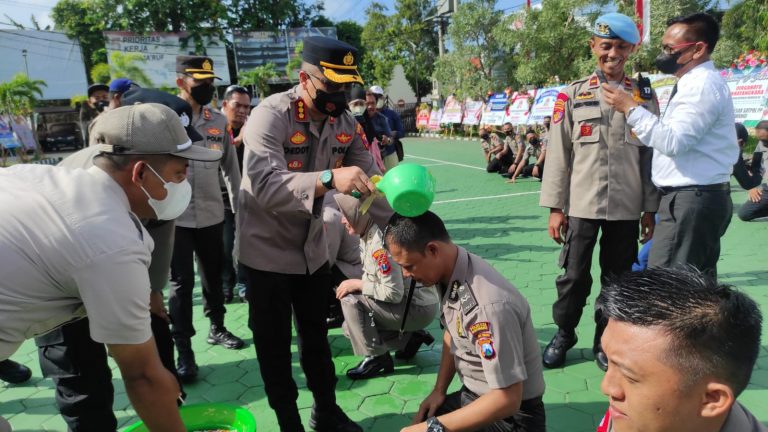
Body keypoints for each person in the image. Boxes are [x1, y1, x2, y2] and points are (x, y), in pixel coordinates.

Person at [0, 103, 222, 431]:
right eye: (179, 173)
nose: (183, 183)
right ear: (141, 173)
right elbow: (143, 377)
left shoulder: (35, 176)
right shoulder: (112, 241)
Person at [237, 36, 390, 431]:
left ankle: (326, 412)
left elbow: (371, 180)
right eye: (331, 85)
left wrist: (406, 222)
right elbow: (264, 184)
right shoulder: (271, 115)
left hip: (312, 249)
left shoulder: (344, 122)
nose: (340, 95)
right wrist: (328, 178)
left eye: (346, 85)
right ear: (305, 79)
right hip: (267, 251)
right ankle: (289, 422)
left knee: (316, 339)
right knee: (273, 347)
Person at [539, 12, 660, 371]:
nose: (613, 53)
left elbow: (649, 155)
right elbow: (559, 154)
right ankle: (564, 332)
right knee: (573, 276)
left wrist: (650, 208)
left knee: (618, 279)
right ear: (593, 46)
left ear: (631, 50)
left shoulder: (643, 96)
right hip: (582, 205)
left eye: (621, 46)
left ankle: (604, 339)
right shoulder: (572, 94)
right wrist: (555, 208)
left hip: (627, 205)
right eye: (606, 45)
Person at [602, 12, 738, 276]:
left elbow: (674, 141)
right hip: (694, 199)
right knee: (693, 287)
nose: (663, 54)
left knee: (667, 286)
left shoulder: (700, 86)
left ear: (698, 49)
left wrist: (630, 108)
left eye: (670, 49)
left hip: (691, 200)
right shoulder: (694, 83)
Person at [385, 212, 546, 432]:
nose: (405, 274)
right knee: (423, 419)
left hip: (511, 418)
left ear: (432, 250)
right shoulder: (451, 269)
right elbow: (453, 332)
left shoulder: (488, 307)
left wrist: (433, 428)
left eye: (409, 266)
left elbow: (508, 399)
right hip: (476, 394)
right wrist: (439, 391)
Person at [597, 266, 766, 432]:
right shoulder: (634, 415)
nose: (606, 387)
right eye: (606, 360)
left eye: (630, 377)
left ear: (711, 399)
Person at [170, 55, 245, 383]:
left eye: (210, 82)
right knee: (181, 284)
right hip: (175, 217)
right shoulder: (168, 118)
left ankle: (217, 327)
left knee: (214, 276)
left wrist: (240, 209)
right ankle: (183, 349)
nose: (207, 88)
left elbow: (230, 168)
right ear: (181, 83)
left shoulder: (217, 120)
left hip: (212, 213)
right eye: (199, 82)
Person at [334, 194, 438, 380]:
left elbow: (393, 292)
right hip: (414, 304)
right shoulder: (369, 231)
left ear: (359, 213)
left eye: (346, 214)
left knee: (350, 301)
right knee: (350, 327)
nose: (342, 220)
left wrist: (357, 284)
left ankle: (377, 357)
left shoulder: (379, 242)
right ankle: (410, 339)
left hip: (416, 307)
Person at [220, 84, 252, 303]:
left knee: (245, 241)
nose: (242, 111)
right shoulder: (215, 127)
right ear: (225, 105)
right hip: (220, 196)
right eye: (237, 105)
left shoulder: (253, 129)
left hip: (246, 195)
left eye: (246, 107)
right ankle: (226, 285)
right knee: (226, 243)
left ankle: (243, 283)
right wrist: (237, 141)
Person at [323, 199, 364, 328]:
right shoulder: (328, 213)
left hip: (359, 270)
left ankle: (336, 312)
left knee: (321, 268)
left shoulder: (328, 218)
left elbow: (327, 261)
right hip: (349, 264)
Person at [737, 120, 768, 221]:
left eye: (764, 140)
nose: (763, 143)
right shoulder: (761, 144)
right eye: (760, 139)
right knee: (744, 214)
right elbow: (755, 166)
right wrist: (752, 186)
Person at [370, 85, 406, 162]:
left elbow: (402, 132)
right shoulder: (365, 115)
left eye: (379, 97)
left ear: (383, 98)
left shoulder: (392, 114)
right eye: (375, 96)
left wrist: (392, 134)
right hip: (371, 156)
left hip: (390, 154)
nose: (377, 99)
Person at [366, 90, 398, 171]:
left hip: (379, 161)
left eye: (373, 103)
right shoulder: (355, 119)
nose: (370, 106)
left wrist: (387, 140)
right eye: (367, 103)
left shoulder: (382, 119)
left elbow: (391, 138)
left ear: (376, 104)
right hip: (361, 160)